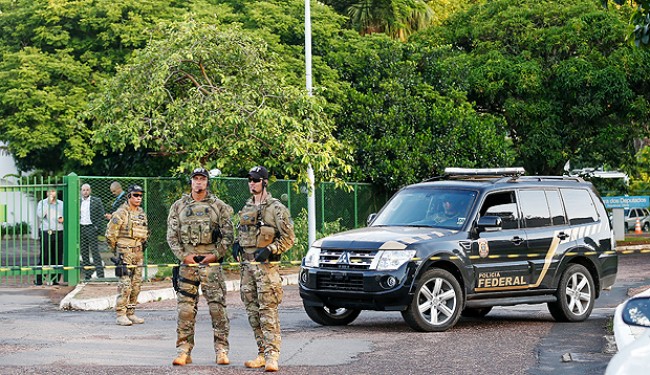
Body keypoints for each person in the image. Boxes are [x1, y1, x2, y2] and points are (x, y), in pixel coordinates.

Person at [167, 167, 234, 366]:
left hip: (210, 266)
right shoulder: (178, 206)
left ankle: (221, 350)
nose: (198, 182)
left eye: (202, 179)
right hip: (187, 265)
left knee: (217, 309)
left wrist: (215, 255)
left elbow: (228, 236)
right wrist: (183, 256)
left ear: (207, 182)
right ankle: (184, 351)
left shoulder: (218, 206)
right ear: (191, 182)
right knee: (185, 311)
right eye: (195, 179)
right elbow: (171, 236)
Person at [232, 166, 295, 372]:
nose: (252, 183)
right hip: (247, 269)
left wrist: (271, 249)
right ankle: (261, 352)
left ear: (264, 182)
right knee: (252, 313)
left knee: (268, 312)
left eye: (256, 180)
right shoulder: (247, 206)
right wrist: (236, 243)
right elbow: (244, 232)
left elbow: (289, 239)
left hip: (267, 269)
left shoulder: (276, 209)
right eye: (250, 180)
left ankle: (272, 356)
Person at [105, 184, 149, 326]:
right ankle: (120, 314)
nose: (138, 198)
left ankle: (131, 313)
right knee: (125, 285)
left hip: (138, 252)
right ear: (129, 196)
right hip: (124, 252)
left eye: (140, 195)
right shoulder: (121, 212)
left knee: (136, 285)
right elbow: (110, 234)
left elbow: (145, 232)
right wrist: (117, 249)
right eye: (135, 195)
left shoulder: (141, 213)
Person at [35, 189, 64, 286]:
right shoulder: (42, 203)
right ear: (47, 193)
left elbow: (66, 216)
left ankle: (55, 279)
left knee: (57, 256)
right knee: (45, 256)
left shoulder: (61, 204)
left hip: (59, 231)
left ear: (56, 193)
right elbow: (40, 215)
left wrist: (63, 219)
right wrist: (48, 204)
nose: (51, 194)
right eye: (49, 192)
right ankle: (39, 279)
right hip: (46, 231)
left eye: (53, 191)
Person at [80, 183, 106, 280]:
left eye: (87, 190)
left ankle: (100, 274)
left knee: (95, 251)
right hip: (82, 228)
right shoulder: (78, 202)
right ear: (81, 191)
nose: (85, 191)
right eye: (83, 190)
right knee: (84, 252)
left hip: (91, 228)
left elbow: (101, 214)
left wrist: (96, 227)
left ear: (90, 191)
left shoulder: (96, 201)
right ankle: (87, 274)